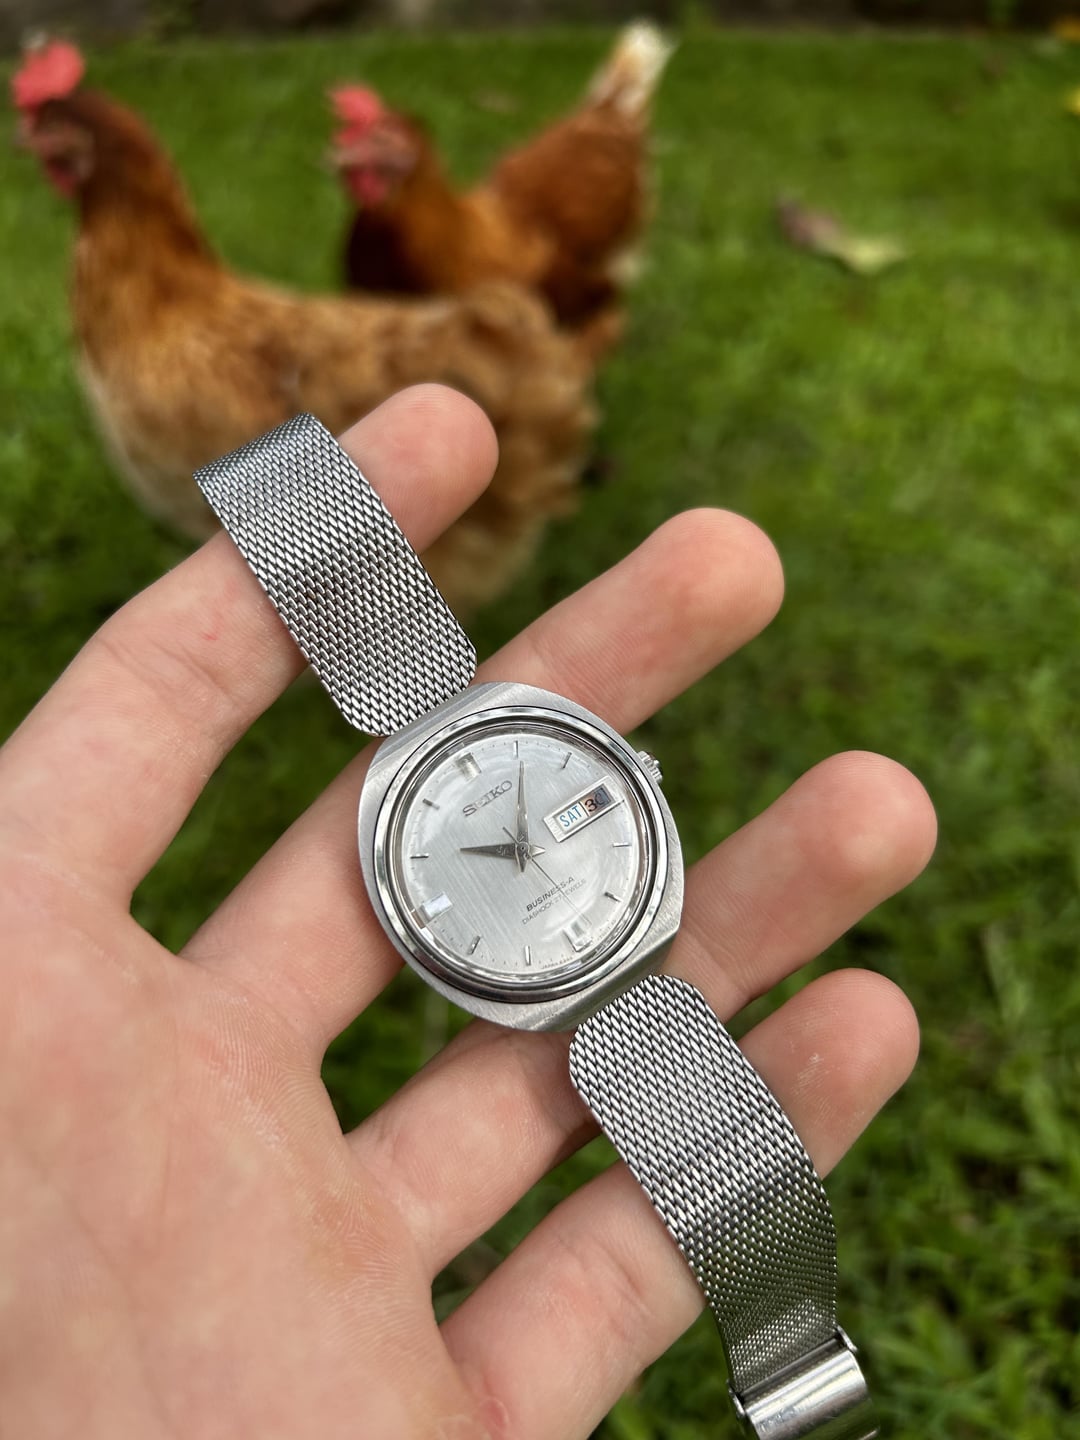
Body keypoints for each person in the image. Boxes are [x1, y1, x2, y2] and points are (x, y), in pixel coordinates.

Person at [0, 387, 935, 1438]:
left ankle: (797, 1362)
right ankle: (798, 1367)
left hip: (620, 959)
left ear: (633, 776)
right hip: (592, 973)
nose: (525, 854)